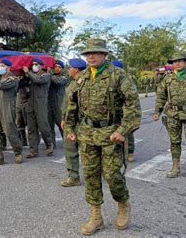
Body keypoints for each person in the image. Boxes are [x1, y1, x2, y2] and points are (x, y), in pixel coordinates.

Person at [64, 39, 141, 235]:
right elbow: (72, 104)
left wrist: (122, 131)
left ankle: (123, 204)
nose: (90, 56)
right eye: (87, 53)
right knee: (90, 175)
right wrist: (70, 127)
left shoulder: (119, 76)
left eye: (95, 53)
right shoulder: (81, 79)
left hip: (110, 134)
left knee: (112, 175)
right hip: (87, 134)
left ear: (105, 55)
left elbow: (132, 108)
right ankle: (96, 215)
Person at [0, 58, 23, 166]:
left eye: (3, 66)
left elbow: (0, 86)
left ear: (8, 68)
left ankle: (18, 152)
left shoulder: (13, 79)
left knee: (10, 131)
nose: (0, 68)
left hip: (8, 105)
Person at [60, 58, 86, 187]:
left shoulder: (87, 83)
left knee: (88, 150)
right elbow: (66, 103)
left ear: (76, 69)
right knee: (70, 148)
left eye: (70, 67)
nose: (68, 69)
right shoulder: (71, 83)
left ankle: (95, 174)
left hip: (84, 122)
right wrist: (64, 118)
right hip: (71, 122)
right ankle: (73, 176)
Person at [23, 58, 54, 158]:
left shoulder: (45, 75)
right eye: (32, 64)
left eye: (36, 64)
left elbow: (37, 80)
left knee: (43, 126)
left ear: (41, 65)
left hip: (41, 104)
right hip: (30, 104)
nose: (34, 66)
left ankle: (49, 144)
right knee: (31, 128)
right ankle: (33, 150)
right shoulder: (30, 75)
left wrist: (28, 72)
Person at [111, 60, 137, 162]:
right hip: (114, 110)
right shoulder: (108, 79)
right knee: (114, 130)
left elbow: (131, 97)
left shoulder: (126, 79)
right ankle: (117, 150)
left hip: (125, 109)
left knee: (128, 131)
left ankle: (130, 152)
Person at [48, 60, 69, 148]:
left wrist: (49, 74)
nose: (57, 68)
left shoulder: (64, 77)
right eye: (55, 66)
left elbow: (58, 82)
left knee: (61, 124)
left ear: (62, 69)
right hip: (49, 103)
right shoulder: (50, 76)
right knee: (50, 125)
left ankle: (67, 142)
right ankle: (52, 144)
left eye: (59, 67)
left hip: (59, 104)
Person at [16, 74, 30, 147]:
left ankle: (32, 141)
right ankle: (23, 140)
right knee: (19, 123)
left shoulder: (28, 80)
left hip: (27, 104)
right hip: (18, 104)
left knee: (30, 123)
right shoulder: (16, 80)